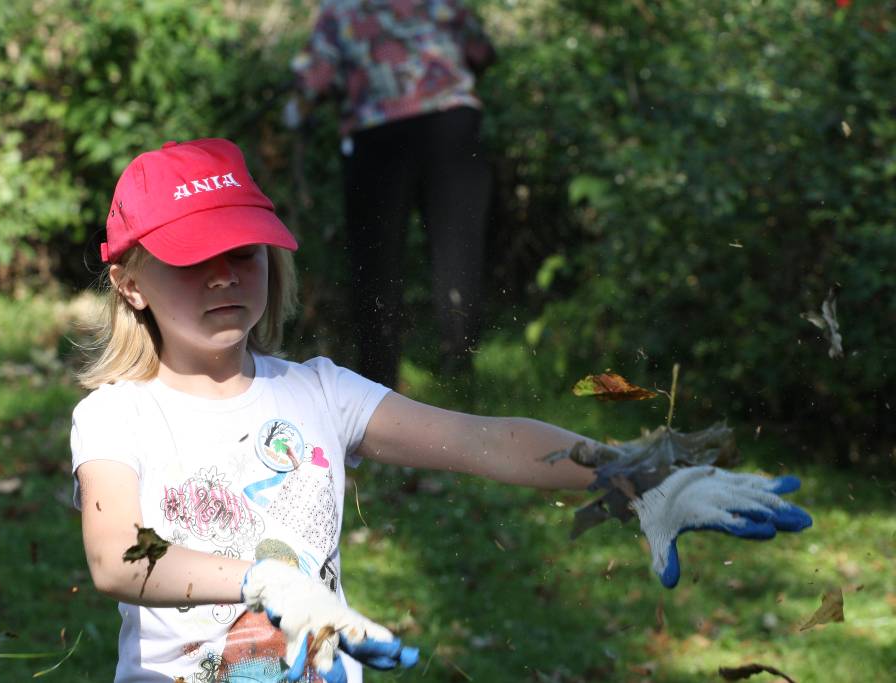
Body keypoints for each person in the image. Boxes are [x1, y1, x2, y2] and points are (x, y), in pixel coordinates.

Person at [71, 138, 812, 683]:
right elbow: (115, 555)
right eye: (194, 257)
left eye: (245, 252)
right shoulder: (117, 417)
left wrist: (634, 475)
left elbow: (485, 441)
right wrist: (262, 580)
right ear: (129, 282)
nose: (224, 276)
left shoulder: (318, 393)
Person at [287, 0, 498, 387]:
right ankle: (462, 371)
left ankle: (377, 380)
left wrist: (303, 103)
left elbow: (313, 78)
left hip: (376, 133)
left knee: (376, 262)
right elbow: (481, 50)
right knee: (458, 251)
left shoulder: (340, 9)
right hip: (453, 123)